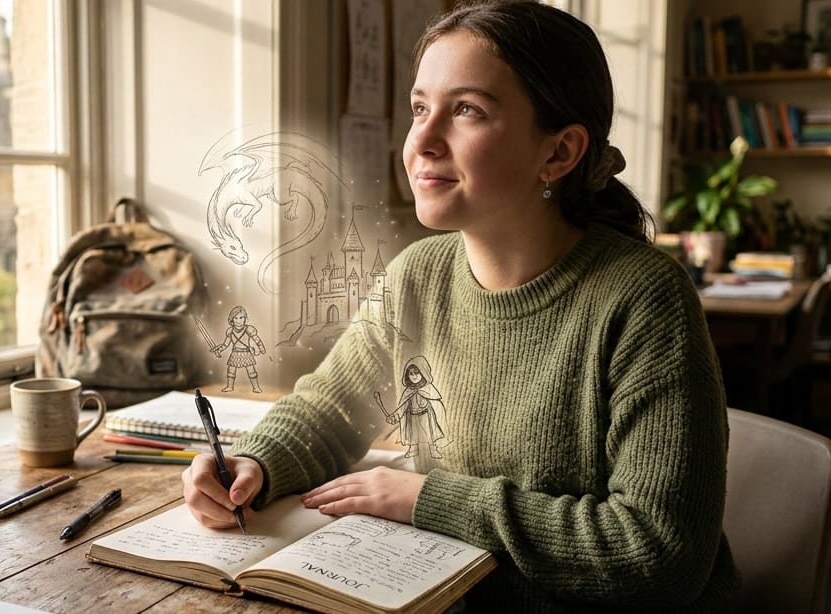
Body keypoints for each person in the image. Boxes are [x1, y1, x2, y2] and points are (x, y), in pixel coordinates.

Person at [182, 0, 737, 609]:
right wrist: (254, 463)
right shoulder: (417, 275)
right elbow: (328, 411)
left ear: (558, 152)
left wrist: (425, 497)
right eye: (420, 108)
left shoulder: (645, 297)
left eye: (467, 110)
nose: (421, 140)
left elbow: (658, 553)